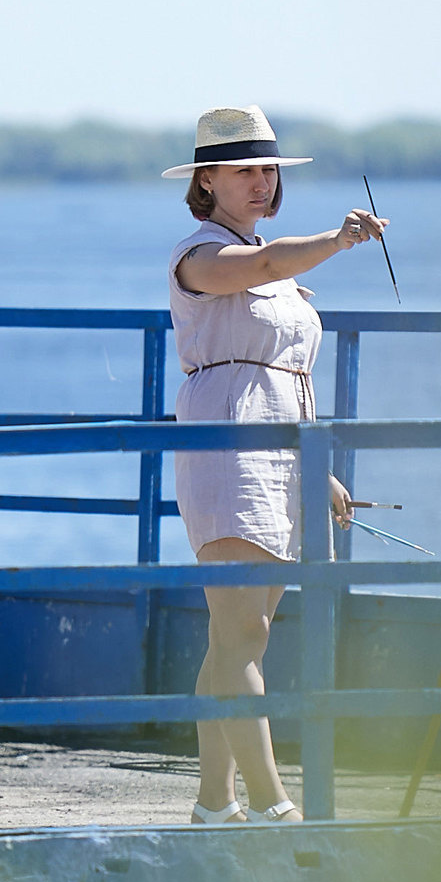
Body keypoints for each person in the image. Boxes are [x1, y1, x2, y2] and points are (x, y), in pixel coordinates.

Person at [164, 105, 387, 824]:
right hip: (226, 446)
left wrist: (313, 465)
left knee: (237, 634)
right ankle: (270, 803)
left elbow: (284, 371)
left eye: (268, 170)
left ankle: (212, 802)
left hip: (280, 452)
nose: (260, 182)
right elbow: (260, 264)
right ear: (208, 180)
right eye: (244, 171)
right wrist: (338, 239)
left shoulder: (278, 271)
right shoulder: (200, 256)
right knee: (244, 634)